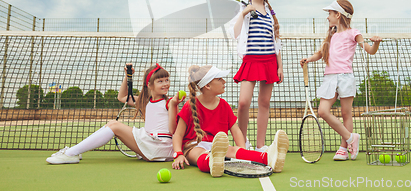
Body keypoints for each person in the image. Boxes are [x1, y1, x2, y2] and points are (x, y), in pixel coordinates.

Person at [46, 63, 184, 164]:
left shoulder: (170, 102)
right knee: (113, 125)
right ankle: (74, 151)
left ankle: (71, 153)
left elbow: (173, 130)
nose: (166, 84)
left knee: (114, 125)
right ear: (149, 85)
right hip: (151, 145)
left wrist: (173, 105)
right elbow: (122, 97)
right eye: (160, 81)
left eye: (167, 80)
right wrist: (127, 76)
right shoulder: (144, 102)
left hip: (161, 147)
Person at [300, 0, 382, 161]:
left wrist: (376, 44)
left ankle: (344, 148)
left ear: (338, 15)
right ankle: (351, 137)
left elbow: (369, 50)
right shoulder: (331, 36)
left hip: (345, 77)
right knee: (323, 111)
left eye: (330, 14)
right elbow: (320, 53)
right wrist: (308, 59)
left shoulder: (354, 33)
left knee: (346, 114)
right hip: (329, 78)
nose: (328, 17)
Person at [171, 65, 289, 177]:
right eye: (219, 79)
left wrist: (242, 151)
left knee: (234, 150)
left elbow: (236, 131)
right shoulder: (189, 106)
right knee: (200, 153)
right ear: (208, 86)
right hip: (193, 147)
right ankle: (211, 163)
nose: (224, 81)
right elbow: (178, 134)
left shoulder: (224, 105)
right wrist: (178, 154)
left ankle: (269, 157)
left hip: (218, 146)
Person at [227, 0, 282, 152]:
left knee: (264, 103)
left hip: (269, 62)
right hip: (251, 61)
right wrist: (243, 14)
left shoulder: (270, 13)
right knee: (243, 102)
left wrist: (279, 66)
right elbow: (234, 33)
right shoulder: (243, 7)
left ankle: (260, 146)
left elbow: (276, 41)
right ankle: (242, 144)